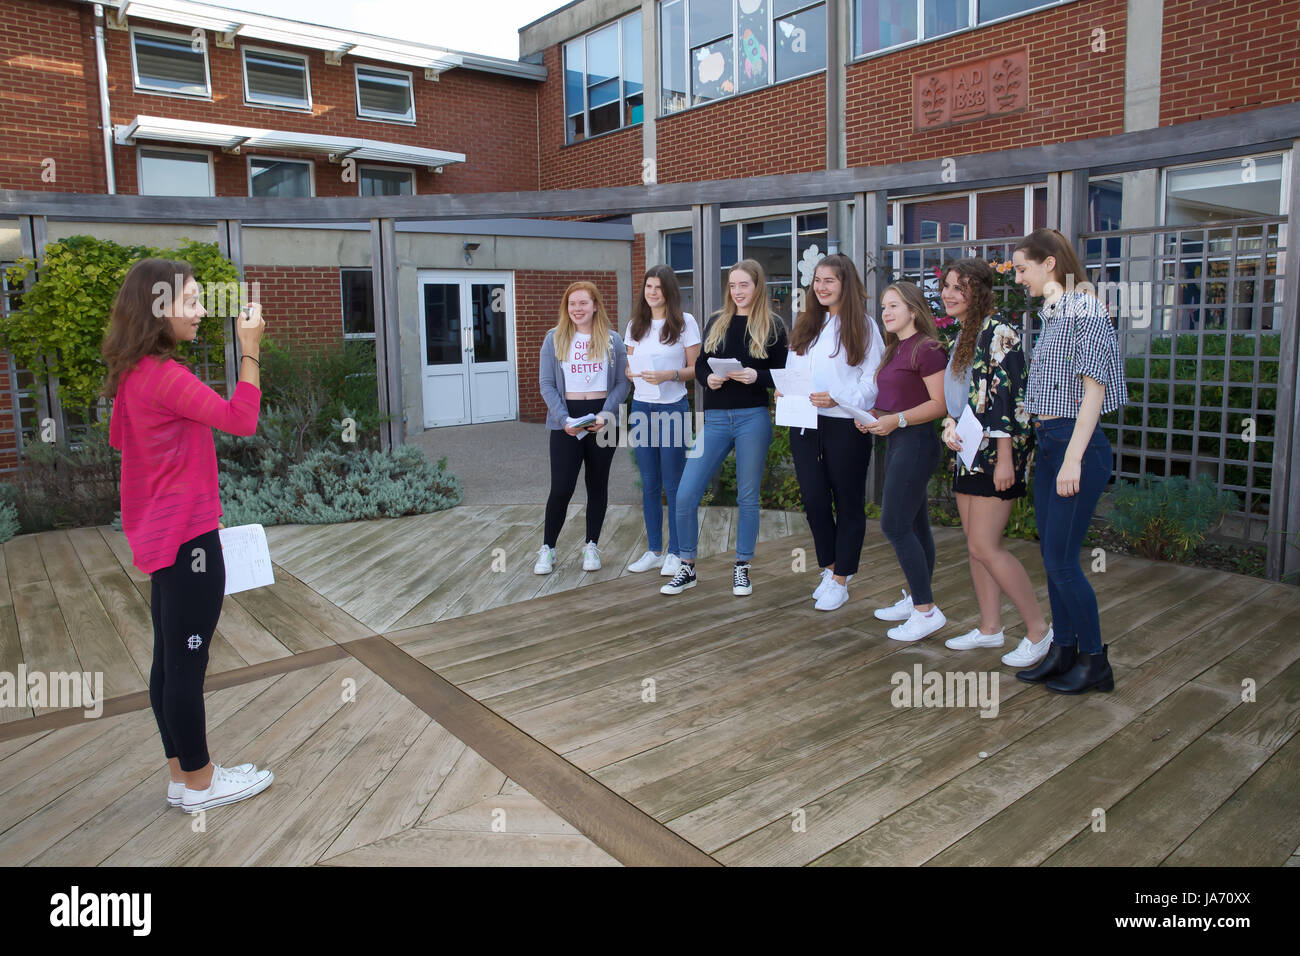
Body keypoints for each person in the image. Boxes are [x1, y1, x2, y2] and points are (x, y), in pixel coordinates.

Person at [103, 257, 272, 814]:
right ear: (158, 309)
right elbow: (241, 420)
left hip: (161, 537)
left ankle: (183, 776)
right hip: (190, 540)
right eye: (192, 302)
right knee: (187, 665)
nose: (202, 313)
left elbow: (123, 442)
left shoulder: (133, 374)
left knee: (169, 661)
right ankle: (200, 785)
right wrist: (250, 347)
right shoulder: (165, 376)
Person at [1012, 228, 1127, 693]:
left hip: (1076, 447)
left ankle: (1095, 661)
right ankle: (1064, 650)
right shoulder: (1055, 312)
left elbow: (1093, 392)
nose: (1018, 278)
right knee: (1051, 555)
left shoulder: (1086, 310)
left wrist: (1073, 459)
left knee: (1062, 562)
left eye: (1022, 269)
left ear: (1050, 264)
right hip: (1051, 441)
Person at [936, 258, 1053, 666]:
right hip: (968, 452)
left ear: (980, 291)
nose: (949, 293)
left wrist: (1006, 461)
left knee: (986, 546)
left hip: (994, 456)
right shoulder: (965, 334)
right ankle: (990, 629)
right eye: (947, 285)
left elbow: (1009, 399)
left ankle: (1040, 631)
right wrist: (949, 423)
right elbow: (961, 397)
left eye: (958, 287)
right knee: (975, 548)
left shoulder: (1000, 330)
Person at [662, 258, 787, 597]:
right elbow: (701, 363)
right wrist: (709, 378)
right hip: (715, 418)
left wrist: (755, 376)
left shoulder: (773, 326)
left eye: (743, 284)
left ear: (757, 286)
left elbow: (783, 374)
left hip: (752, 417)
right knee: (687, 493)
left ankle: (742, 567)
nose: (737, 291)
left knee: (748, 497)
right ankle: (686, 566)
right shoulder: (718, 320)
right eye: (732, 285)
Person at [780, 254, 884, 612]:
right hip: (805, 421)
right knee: (813, 500)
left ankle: (842, 579)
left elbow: (873, 383)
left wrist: (838, 397)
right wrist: (784, 389)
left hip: (845, 422)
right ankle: (830, 566)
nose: (821, 287)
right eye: (818, 280)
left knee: (848, 501)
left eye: (830, 281)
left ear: (846, 285)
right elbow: (793, 369)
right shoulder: (806, 324)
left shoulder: (865, 327)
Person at [859, 281, 949, 641]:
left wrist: (895, 420)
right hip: (897, 441)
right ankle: (916, 600)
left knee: (895, 526)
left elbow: (939, 405)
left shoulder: (927, 349)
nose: (886, 313)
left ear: (913, 310)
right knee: (915, 526)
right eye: (883, 307)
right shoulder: (895, 348)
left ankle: (926, 611)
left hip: (916, 444)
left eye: (894, 306)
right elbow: (899, 400)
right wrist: (872, 414)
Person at [536, 280, 629, 574]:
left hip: (603, 419)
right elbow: (547, 384)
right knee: (561, 487)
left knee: (597, 485)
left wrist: (606, 413)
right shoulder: (554, 338)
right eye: (572, 304)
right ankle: (548, 548)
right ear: (567, 307)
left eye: (583, 303)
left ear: (595, 305)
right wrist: (564, 419)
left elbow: (623, 382)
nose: (577, 309)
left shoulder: (613, 341)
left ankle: (591, 546)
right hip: (566, 420)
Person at [624, 265, 701, 578]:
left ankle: (676, 553)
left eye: (658, 287)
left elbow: (696, 369)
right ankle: (655, 550)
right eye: (648, 287)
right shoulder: (635, 325)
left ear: (669, 291)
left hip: (672, 408)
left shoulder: (685, 323)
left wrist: (669, 374)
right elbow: (629, 365)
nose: (652, 292)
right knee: (650, 483)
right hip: (642, 407)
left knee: (673, 482)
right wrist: (631, 373)